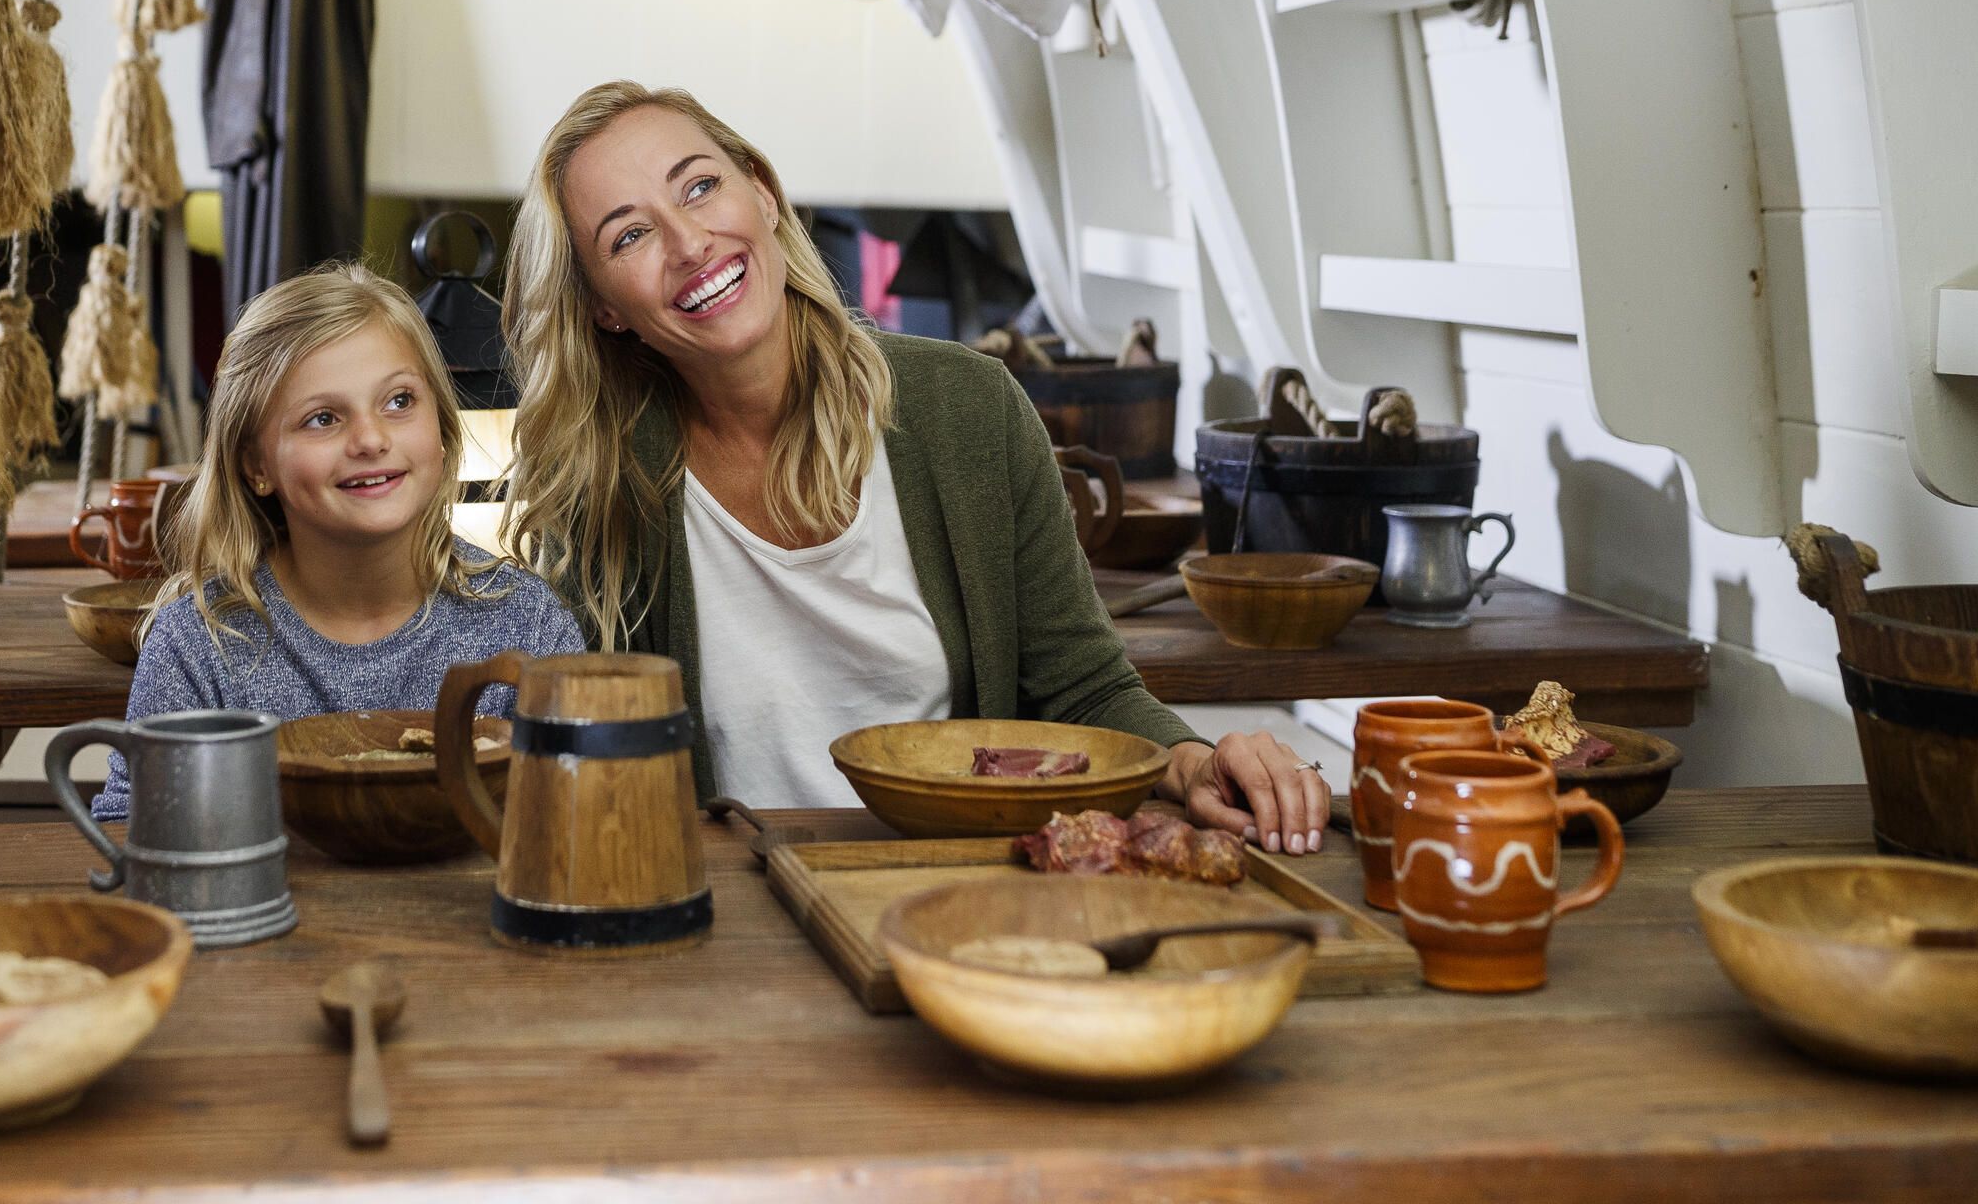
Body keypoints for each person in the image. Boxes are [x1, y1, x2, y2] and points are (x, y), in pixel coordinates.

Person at [501, 81, 1329, 854]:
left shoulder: (967, 409)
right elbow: (588, 765)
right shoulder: (604, 484)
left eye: (700, 187)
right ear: (603, 307)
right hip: (730, 917)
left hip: (961, 888)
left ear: (763, 191)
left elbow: (1081, 692)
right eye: (631, 235)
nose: (689, 243)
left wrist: (1192, 763)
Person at [92, 263, 580, 822]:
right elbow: (130, 828)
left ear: (442, 431)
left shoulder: (528, 624)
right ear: (255, 464)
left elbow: (577, 816)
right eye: (323, 418)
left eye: (399, 401)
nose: (371, 439)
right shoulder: (198, 646)